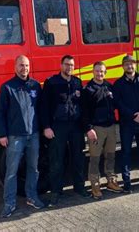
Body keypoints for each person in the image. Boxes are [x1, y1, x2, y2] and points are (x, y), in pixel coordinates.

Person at [0, 55, 45, 218]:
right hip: (15, 137)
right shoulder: (7, 87)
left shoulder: (35, 86)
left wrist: (44, 128)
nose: (24, 68)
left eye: (26, 65)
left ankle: (32, 197)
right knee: (11, 171)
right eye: (21, 66)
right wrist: (2, 134)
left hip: (34, 135)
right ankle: (9, 203)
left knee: (33, 168)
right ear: (15, 67)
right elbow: (0, 113)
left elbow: (41, 109)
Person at [41, 55, 91, 207]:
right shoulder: (51, 82)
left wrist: (87, 128)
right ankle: (56, 192)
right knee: (56, 160)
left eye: (71, 65)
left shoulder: (77, 82)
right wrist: (46, 126)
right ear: (61, 65)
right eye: (67, 64)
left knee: (78, 158)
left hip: (75, 126)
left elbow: (82, 107)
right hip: (58, 126)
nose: (69, 67)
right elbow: (44, 107)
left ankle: (80, 187)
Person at [113, 55, 139, 193]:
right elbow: (118, 103)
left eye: (131, 64)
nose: (129, 66)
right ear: (123, 66)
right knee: (125, 152)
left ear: (135, 65)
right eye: (126, 64)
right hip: (127, 123)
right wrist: (132, 115)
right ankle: (126, 181)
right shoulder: (118, 84)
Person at [82, 61, 123, 199]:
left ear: (105, 73)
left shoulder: (109, 87)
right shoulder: (88, 90)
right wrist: (89, 129)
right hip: (96, 129)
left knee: (111, 155)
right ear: (93, 72)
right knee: (94, 158)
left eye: (102, 71)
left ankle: (111, 181)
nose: (100, 73)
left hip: (110, 127)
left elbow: (117, 105)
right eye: (97, 71)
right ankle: (95, 184)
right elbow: (84, 112)